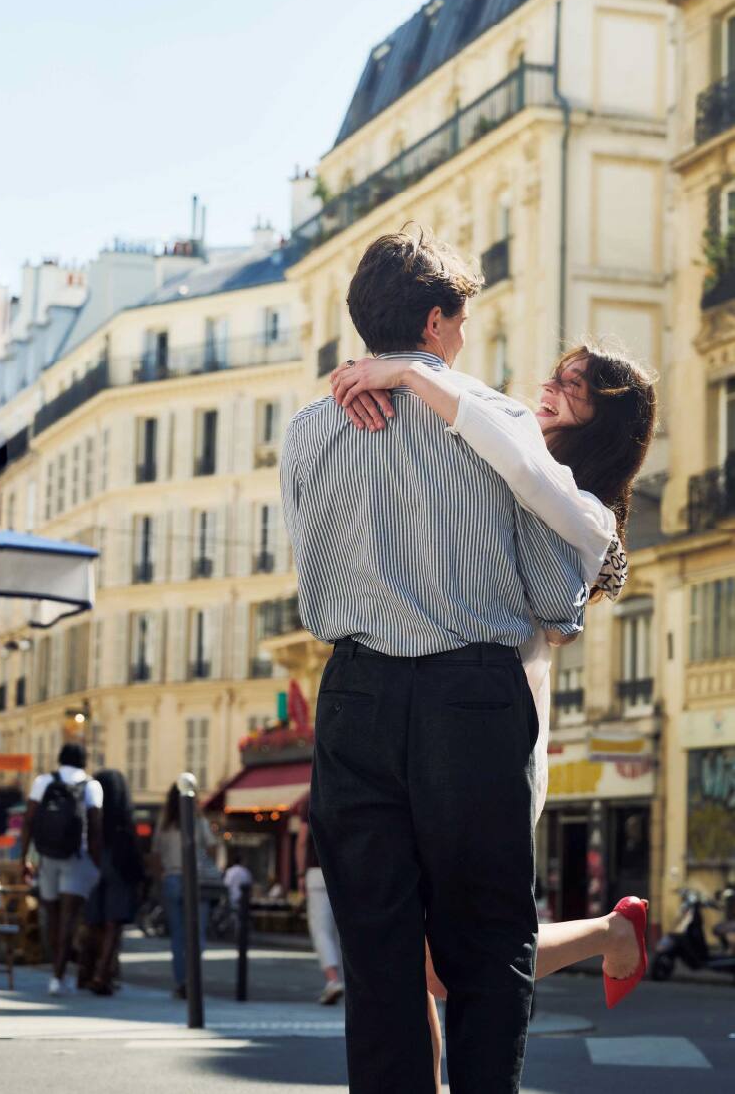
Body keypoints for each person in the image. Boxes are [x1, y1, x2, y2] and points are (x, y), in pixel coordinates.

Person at [281, 228, 590, 1094]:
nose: (464, 335)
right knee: (487, 940)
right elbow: (552, 596)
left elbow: (312, 576)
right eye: (461, 318)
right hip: (472, 697)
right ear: (434, 321)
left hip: (355, 696)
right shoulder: (496, 422)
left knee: (377, 952)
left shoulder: (309, 431)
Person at [329, 338, 656, 1088]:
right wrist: (368, 382)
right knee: (413, 959)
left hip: (494, 744)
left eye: (573, 387)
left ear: (604, 423)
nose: (549, 388)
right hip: (428, 725)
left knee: (449, 962)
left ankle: (613, 930)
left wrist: (405, 369)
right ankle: (612, 930)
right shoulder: (505, 459)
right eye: (557, 375)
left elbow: (512, 453)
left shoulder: (583, 509)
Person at [20, 742, 103, 996]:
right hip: (76, 857)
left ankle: (57, 973)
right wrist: (97, 863)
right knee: (69, 918)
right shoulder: (91, 786)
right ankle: (59, 975)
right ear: (84, 760)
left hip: (47, 856)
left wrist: (24, 858)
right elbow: (96, 826)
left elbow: (28, 821)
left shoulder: (43, 781)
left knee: (52, 916)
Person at [78, 769, 145, 995]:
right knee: (112, 923)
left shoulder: (92, 814)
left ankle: (86, 971)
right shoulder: (123, 821)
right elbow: (134, 853)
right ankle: (103, 973)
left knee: (93, 921)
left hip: (92, 864)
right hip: (117, 864)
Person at [151, 782, 216, 999]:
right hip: (196, 879)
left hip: (172, 878)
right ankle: (192, 980)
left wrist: (162, 877)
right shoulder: (198, 821)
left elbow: (155, 854)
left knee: (178, 936)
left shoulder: (165, 823)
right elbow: (212, 847)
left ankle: (182, 982)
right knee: (197, 934)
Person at [294, 792, 344, 1005]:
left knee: (321, 930)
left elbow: (302, 840)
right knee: (344, 930)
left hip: (316, 872)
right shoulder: (346, 792)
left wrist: (300, 874)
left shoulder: (311, 799)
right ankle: (351, 981)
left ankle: (333, 979)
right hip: (346, 872)